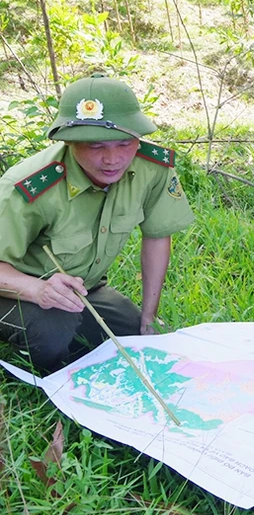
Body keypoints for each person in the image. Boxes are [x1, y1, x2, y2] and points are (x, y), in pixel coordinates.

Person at [0, 74, 194, 374]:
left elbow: (157, 236)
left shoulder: (151, 168)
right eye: (95, 146)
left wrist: (149, 316)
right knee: (52, 336)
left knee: (133, 335)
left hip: (84, 288)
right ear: (69, 141)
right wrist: (37, 290)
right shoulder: (29, 186)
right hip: (16, 289)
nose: (112, 159)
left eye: (124, 143)